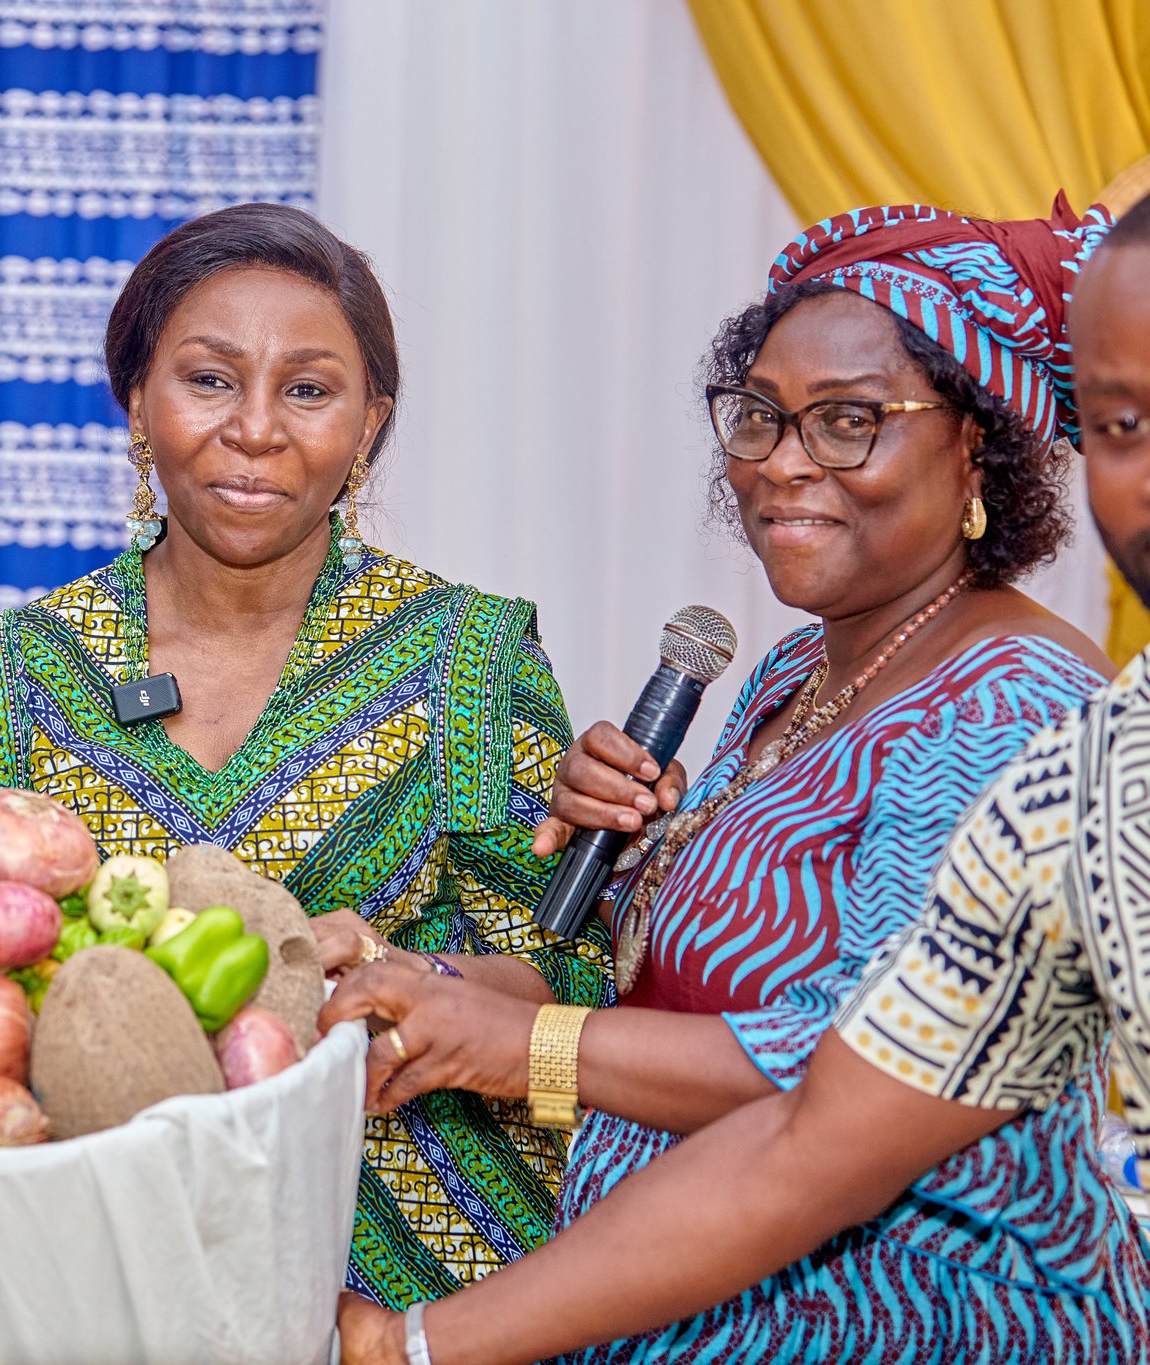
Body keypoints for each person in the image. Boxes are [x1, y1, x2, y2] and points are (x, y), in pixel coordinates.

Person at [327, 196, 1150, 1364]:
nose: (780, 465)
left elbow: (844, 1073)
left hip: (918, 1325)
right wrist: (429, 972)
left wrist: (517, 1055)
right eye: (758, 418)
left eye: (846, 423)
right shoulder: (791, 672)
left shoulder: (1003, 702)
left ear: (975, 441)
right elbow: (675, 1006)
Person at [0, 202, 611, 1305]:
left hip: (419, 1270)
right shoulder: (18, 669)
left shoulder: (466, 652)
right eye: (209, 380)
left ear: (367, 424)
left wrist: (415, 983)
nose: (255, 430)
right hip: (106, 1266)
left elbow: (564, 975)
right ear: (136, 400)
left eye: (307, 390)